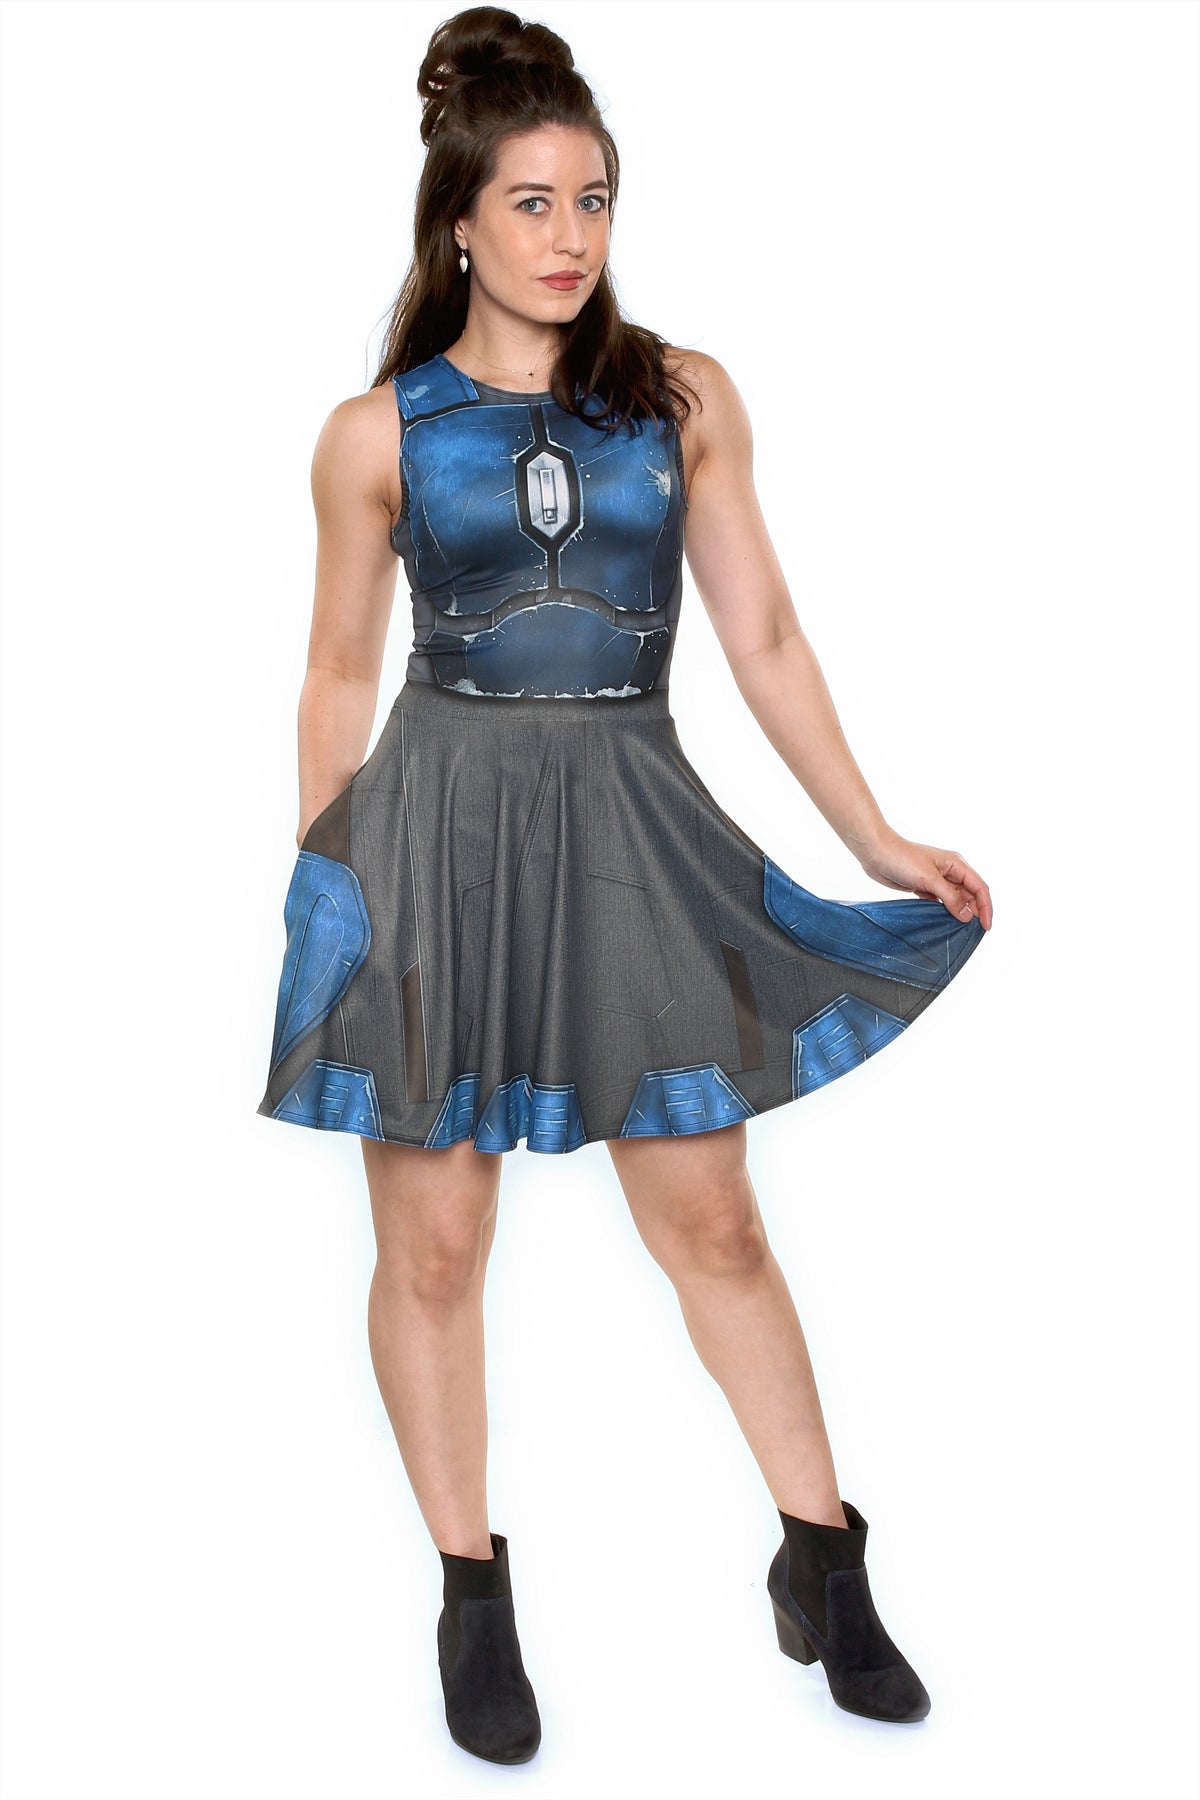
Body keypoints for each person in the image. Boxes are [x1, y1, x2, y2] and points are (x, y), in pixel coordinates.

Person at [256, 3, 993, 1766]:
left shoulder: (681, 400)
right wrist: (331, 883)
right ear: (458, 221)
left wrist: (876, 838)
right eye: (532, 202)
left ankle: (825, 1558)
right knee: (438, 1245)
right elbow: (337, 670)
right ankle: (471, 1593)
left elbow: (766, 634)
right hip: (434, 838)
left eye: (593, 198)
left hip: (630, 828)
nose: (569, 235)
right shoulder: (375, 433)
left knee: (712, 1217)